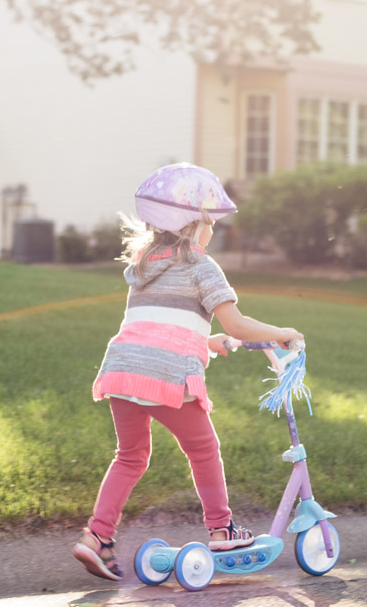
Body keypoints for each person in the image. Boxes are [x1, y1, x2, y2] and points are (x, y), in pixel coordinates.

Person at [72, 163, 304, 581]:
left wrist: (206, 342)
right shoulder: (202, 265)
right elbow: (235, 323)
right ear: (196, 225)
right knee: (204, 449)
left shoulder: (144, 262)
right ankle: (221, 528)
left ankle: (96, 537)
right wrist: (283, 331)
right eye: (211, 223)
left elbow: (159, 325)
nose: (213, 232)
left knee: (129, 457)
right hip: (166, 379)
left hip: (123, 370)